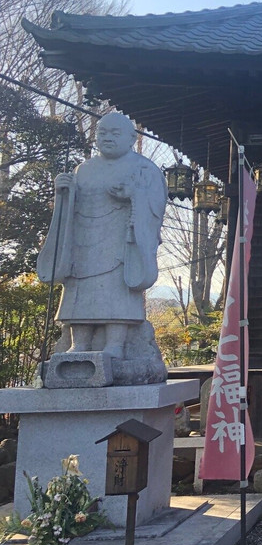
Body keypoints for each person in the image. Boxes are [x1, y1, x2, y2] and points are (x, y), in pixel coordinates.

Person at [37, 112, 167, 360]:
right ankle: (80, 342)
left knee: (118, 290)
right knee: (79, 289)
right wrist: (64, 192)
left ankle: (115, 343)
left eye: (115, 133)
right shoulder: (83, 169)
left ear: (131, 138)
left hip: (121, 243)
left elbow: (155, 205)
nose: (107, 138)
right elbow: (71, 209)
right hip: (83, 242)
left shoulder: (143, 169)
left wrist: (134, 195)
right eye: (102, 133)